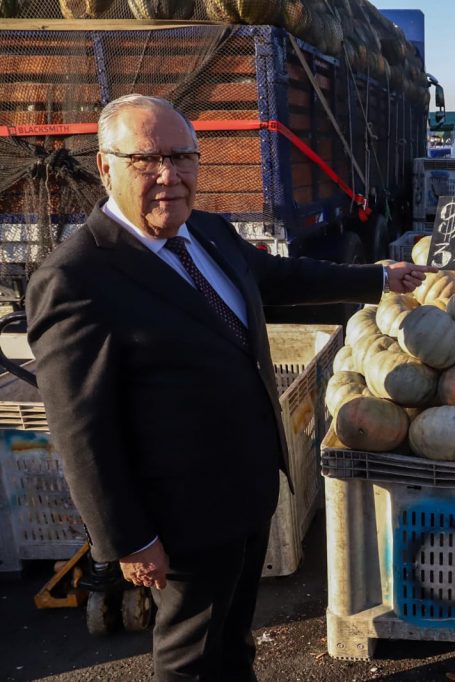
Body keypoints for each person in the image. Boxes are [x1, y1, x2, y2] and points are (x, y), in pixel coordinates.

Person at [26, 94, 432, 681]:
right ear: (105, 166)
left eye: (184, 157)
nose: (170, 176)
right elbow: (79, 429)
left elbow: (281, 278)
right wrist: (128, 538)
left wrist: (378, 278)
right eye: (147, 160)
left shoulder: (209, 232)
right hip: (179, 513)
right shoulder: (76, 277)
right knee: (190, 653)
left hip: (248, 488)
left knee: (233, 638)